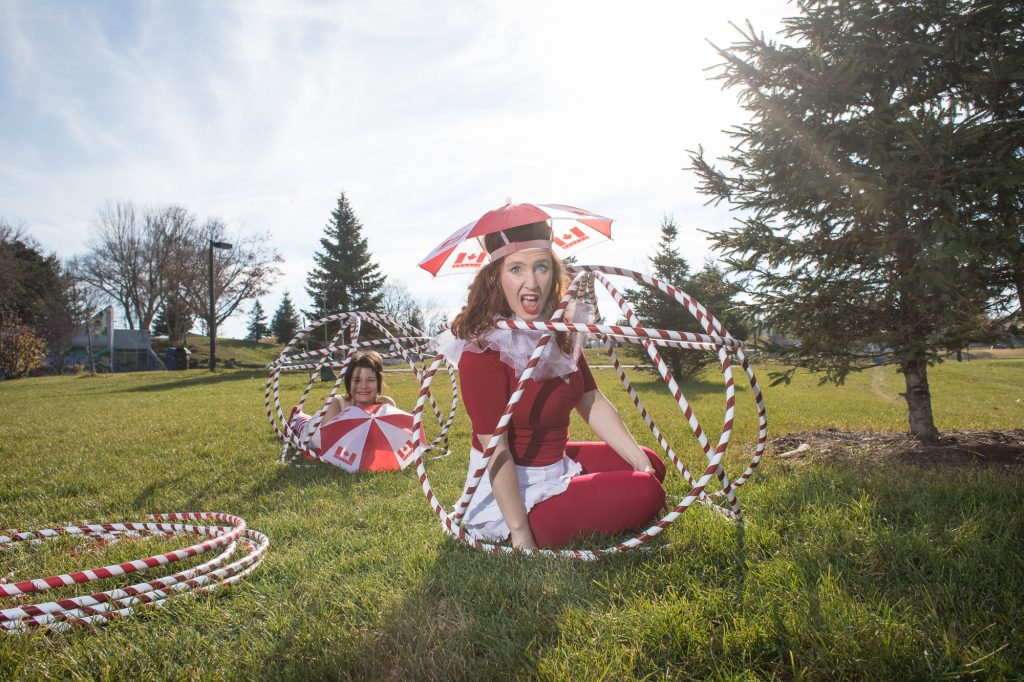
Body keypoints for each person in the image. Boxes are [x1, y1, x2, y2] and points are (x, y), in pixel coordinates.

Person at [439, 221, 666, 550]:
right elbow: (495, 448)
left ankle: (589, 488)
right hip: (513, 488)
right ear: (495, 278)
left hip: (555, 462)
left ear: (553, 273)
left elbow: (591, 400)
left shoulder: (557, 333)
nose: (531, 282)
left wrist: (638, 462)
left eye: (541, 267)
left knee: (651, 464)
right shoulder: (483, 350)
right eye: (516, 269)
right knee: (649, 492)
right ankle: (534, 520)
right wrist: (520, 533)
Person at [289, 350, 396, 454]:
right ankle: (296, 415)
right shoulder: (335, 404)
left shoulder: (386, 405)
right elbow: (330, 447)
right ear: (349, 383)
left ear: (378, 381)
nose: (363, 386)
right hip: (315, 433)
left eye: (370, 380)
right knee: (302, 424)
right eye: (357, 380)